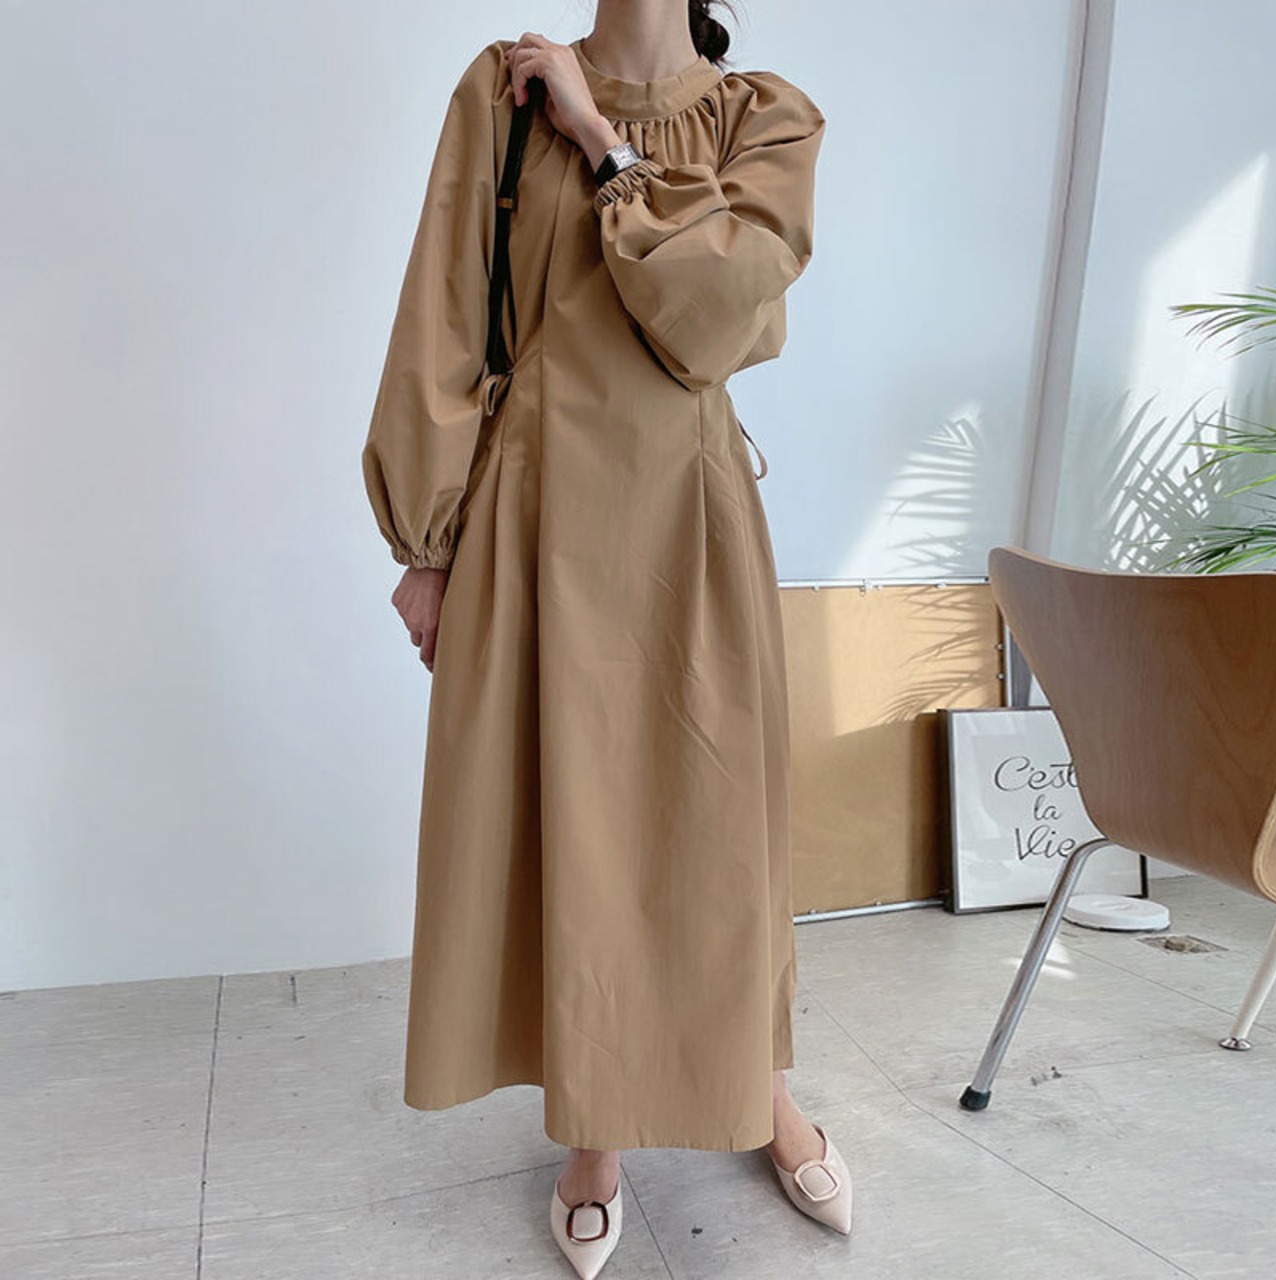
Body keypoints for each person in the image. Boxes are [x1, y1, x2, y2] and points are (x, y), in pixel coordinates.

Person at [361, 1, 849, 1273]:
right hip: (536, 512)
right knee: (569, 824)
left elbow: (718, 315)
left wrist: (599, 141)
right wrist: (426, 542)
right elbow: (443, 314)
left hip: (689, 512)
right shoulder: (502, 89)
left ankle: (757, 1087)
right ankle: (594, 1127)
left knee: (715, 832)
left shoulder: (764, 116)